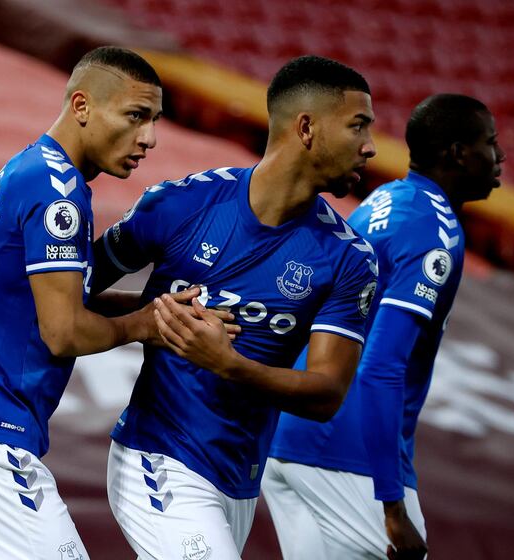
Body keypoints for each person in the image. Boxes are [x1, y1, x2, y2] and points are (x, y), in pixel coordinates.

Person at [0, 46, 195, 560]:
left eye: (154, 120)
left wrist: (155, 305)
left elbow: (54, 297)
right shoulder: (58, 191)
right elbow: (64, 331)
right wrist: (146, 325)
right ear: (82, 106)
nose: (149, 138)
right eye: (135, 116)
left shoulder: (32, 169)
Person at [92, 55, 379, 559]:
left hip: (239, 480)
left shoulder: (349, 259)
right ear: (307, 127)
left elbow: (326, 393)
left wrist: (228, 364)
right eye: (358, 127)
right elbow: (72, 291)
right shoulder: (181, 205)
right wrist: (148, 319)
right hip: (157, 456)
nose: (370, 148)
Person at [264, 93, 507, 560]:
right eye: (490, 143)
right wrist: (392, 505)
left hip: (291, 438)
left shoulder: (385, 200)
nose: (500, 157)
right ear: (458, 152)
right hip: (348, 456)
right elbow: (379, 368)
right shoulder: (433, 232)